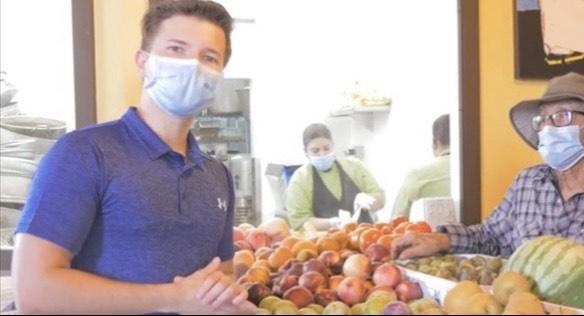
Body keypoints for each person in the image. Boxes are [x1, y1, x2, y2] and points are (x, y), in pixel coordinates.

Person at [11, 1, 256, 314]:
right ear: (143, 62)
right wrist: (174, 298)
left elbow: (218, 278)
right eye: (176, 49)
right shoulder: (83, 154)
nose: (192, 66)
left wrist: (230, 302)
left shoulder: (217, 176)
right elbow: (34, 292)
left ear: (219, 76)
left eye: (209, 57)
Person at [393, 73, 584, 259]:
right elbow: (490, 237)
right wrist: (440, 240)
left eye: (561, 117)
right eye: (542, 120)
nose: (547, 128)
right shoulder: (526, 184)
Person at [286, 123, 385, 230]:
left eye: (326, 148)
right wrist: (332, 223)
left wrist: (369, 200)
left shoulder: (354, 166)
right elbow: (299, 222)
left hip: (365, 236)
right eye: (315, 151)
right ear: (306, 152)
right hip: (326, 242)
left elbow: (381, 199)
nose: (322, 154)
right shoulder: (300, 180)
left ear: (333, 145)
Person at [392, 114, 451, 218]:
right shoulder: (482, 173)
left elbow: (396, 222)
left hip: (428, 233)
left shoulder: (417, 176)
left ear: (435, 143)